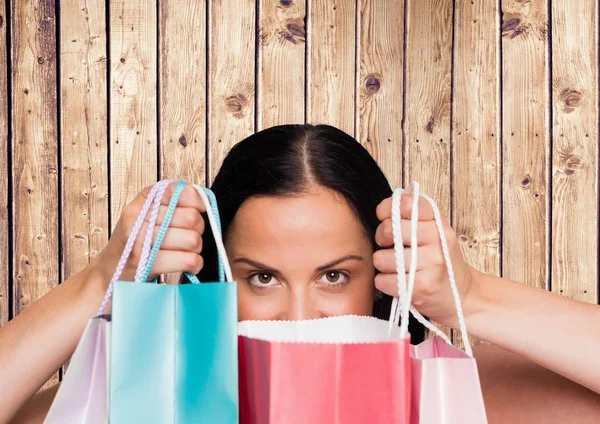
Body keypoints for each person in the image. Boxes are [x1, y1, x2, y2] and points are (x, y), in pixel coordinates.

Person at [1, 124, 599, 423]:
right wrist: (98, 283)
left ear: (387, 277)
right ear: (217, 280)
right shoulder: (151, 400)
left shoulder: (447, 394)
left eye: (334, 277)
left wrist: (477, 297)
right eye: (262, 278)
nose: (299, 317)